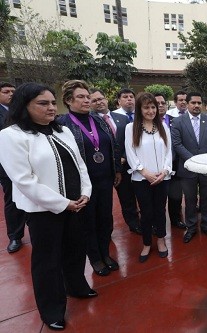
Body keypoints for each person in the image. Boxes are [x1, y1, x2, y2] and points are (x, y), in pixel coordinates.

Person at [0, 83, 95, 330]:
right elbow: (23, 180)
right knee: (47, 262)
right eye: (43, 103)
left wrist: (85, 192)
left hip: (76, 204)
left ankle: (76, 286)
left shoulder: (62, 131)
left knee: (75, 250)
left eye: (53, 102)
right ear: (24, 106)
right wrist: (63, 204)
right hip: (44, 212)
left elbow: (80, 164)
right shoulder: (11, 136)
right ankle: (51, 309)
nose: (51, 107)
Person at [58, 80, 121, 277]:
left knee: (105, 219)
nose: (87, 100)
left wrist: (117, 170)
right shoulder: (62, 124)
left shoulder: (99, 120)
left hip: (105, 180)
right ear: (69, 100)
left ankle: (105, 253)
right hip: (83, 185)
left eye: (88, 97)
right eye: (81, 97)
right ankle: (95, 258)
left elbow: (113, 145)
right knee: (88, 223)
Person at [125, 92, 172, 262]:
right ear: (139, 109)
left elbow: (169, 152)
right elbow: (130, 153)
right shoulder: (131, 128)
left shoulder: (163, 127)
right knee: (146, 212)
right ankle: (146, 243)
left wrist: (165, 171)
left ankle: (161, 240)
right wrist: (144, 171)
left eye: (153, 107)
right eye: (147, 107)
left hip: (162, 178)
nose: (151, 110)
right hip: (142, 179)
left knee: (160, 211)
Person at [89, 88, 142, 235]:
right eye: (94, 100)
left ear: (107, 99)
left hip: (124, 165)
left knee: (128, 197)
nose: (99, 102)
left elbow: (130, 141)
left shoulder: (122, 119)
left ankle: (134, 223)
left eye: (101, 99)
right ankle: (105, 230)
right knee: (105, 202)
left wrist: (124, 156)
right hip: (103, 168)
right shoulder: (90, 121)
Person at [171, 92, 207, 243]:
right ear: (187, 103)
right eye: (193, 103)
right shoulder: (178, 122)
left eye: (199, 103)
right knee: (190, 199)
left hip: (206, 168)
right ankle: (191, 227)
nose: (197, 105)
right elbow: (177, 144)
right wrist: (194, 160)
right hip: (187, 168)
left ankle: (206, 225)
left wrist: (204, 161)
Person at [0, 82, 27, 253]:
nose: (10, 94)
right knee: (12, 200)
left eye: (13, 91)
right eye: (6, 91)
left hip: (29, 160)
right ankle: (15, 236)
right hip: (7, 164)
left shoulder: (24, 111)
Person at [165, 91, 188, 230]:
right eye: (180, 100)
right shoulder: (168, 116)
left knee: (189, 190)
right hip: (173, 160)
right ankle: (175, 219)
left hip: (188, 158)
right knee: (175, 193)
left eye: (185, 100)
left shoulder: (192, 116)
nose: (183, 102)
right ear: (175, 101)